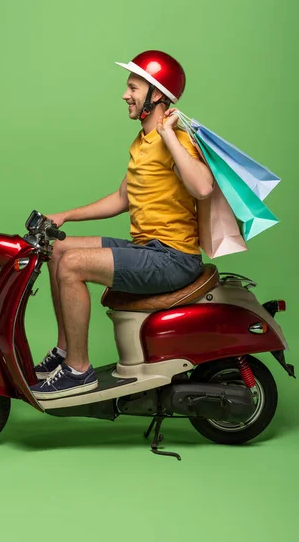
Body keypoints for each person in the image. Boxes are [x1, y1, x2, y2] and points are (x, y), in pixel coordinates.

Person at [30, 50, 214, 400]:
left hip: (173, 258)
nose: (125, 95)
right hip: (148, 250)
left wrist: (171, 136)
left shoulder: (175, 141)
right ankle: (66, 350)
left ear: (156, 94)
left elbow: (203, 187)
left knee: (72, 266)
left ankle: (78, 371)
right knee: (59, 250)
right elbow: (121, 199)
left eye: (133, 87)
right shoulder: (141, 143)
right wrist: (65, 215)